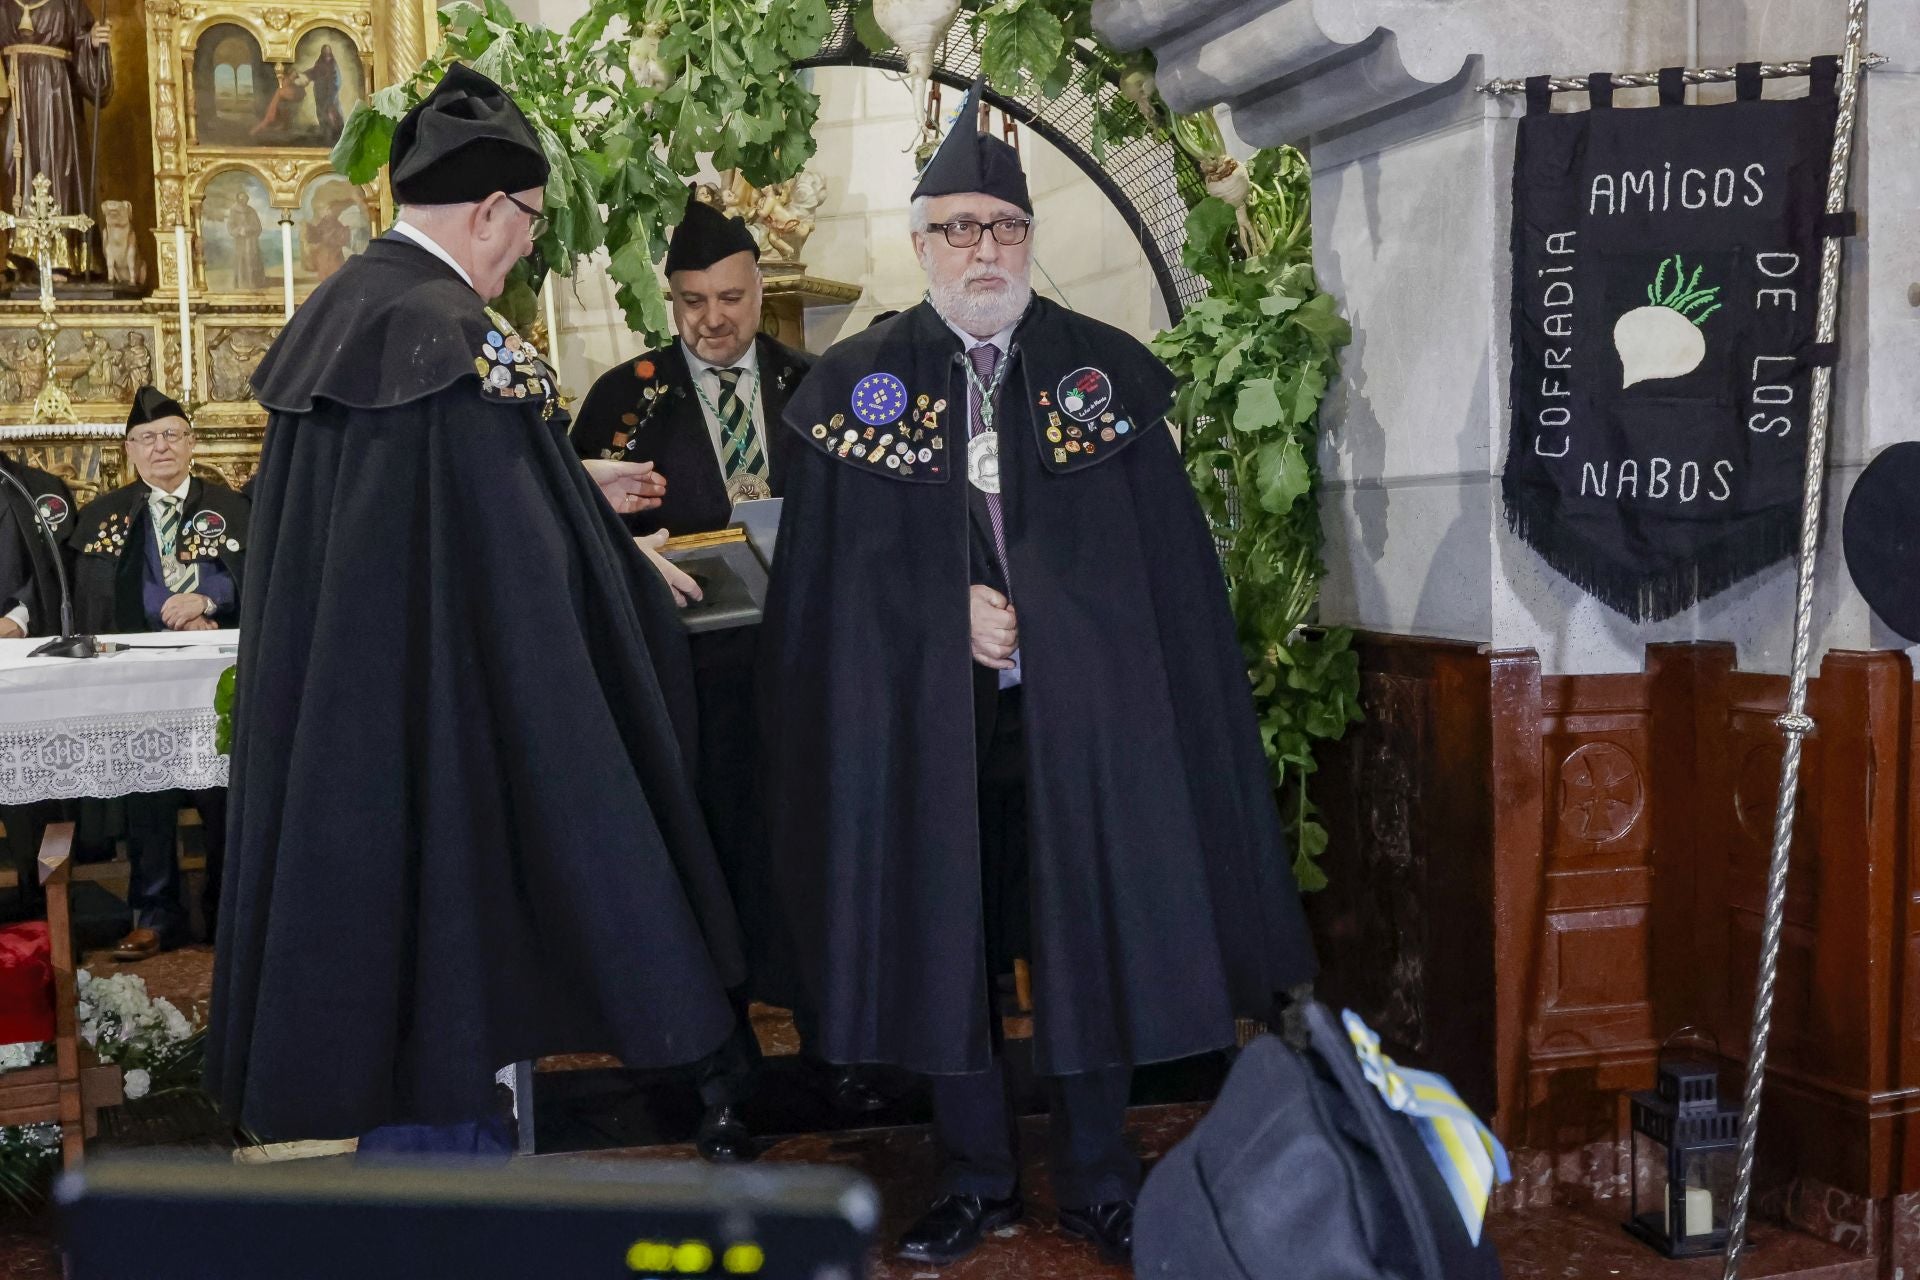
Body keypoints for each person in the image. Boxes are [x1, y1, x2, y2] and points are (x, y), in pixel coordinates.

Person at [758, 81, 1318, 1268]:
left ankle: (1101, 1173)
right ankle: (973, 1174)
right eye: (958, 226)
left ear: (1028, 242)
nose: (984, 248)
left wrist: (1061, 623)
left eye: (1005, 228)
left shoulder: (1101, 379)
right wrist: (936, 614)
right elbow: (827, 599)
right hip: (929, 733)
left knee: (1092, 928)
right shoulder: (860, 390)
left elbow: (1155, 582)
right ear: (919, 244)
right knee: (943, 934)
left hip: (1084, 729)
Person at [207, 64, 745, 1151]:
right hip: (444, 723)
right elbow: (514, 559)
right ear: (491, 207)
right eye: (530, 226)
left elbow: (443, 509)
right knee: (451, 985)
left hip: (355, 721)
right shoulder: (457, 331)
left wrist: (566, 483)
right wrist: (616, 560)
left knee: (380, 979)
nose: (526, 251)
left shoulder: (347, 309)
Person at [570, 188, 882, 1162]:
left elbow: (870, 522)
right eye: (693, 300)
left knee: (815, 859)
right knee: (706, 866)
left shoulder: (816, 383)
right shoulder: (625, 401)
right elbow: (582, 542)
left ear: (761, 290)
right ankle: (722, 1072)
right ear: (671, 301)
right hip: (690, 683)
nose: (713, 319)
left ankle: (842, 1047)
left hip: (805, 681)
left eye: (732, 298)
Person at [67, 387, 244, 960]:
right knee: (149, 794)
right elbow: (99, 596)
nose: (160, 446)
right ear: (129, 450)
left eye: (171, 434)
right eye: (147, 438)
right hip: (142, 681)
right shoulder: (104, 517)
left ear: (191, 443)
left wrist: (206, 602)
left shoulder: (233, 506)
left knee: (225, 795)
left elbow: (263, 570)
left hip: (220, 678)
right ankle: (155, 914)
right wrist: (164, 608)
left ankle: (229, 909)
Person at [0, 448, 75, 920]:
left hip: (16, 651)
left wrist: (17, 617)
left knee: (26, 776)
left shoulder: (33, 487)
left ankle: (37, 902)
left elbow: (56, 563)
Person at [0, 0, 111, 277]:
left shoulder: (70, 4)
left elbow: (88, 64)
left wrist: (94, 45)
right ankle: (18, 255)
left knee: (57, 168)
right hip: (14, 97)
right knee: (14, 172)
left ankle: (62, 256)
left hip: (56, 98)